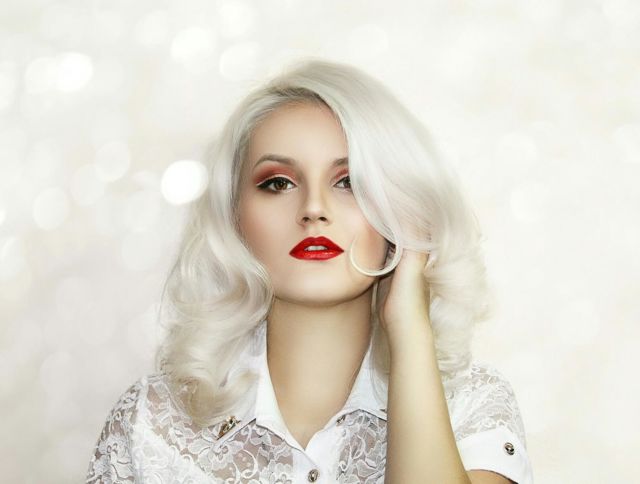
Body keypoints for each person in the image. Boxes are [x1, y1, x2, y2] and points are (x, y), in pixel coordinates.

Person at [86, 58, 534, 483]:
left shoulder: (471, 407)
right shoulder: (149, 424)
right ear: (234, 216)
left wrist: (410, 325)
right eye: (278, 183)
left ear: (402, 211)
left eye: (349, 182)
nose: (314, 209)